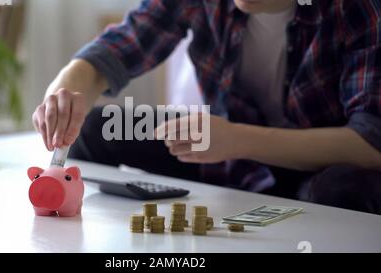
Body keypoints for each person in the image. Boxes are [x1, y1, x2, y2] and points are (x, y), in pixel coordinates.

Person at [32, 0, 381, 214]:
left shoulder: (355, 7)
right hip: (227, 154)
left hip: (314, 165)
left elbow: (370, 142)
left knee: (343, 189)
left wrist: (238, 140)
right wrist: (61, 92)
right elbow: (116, 50)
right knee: (96, 128)